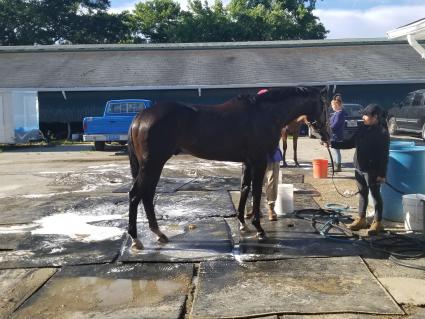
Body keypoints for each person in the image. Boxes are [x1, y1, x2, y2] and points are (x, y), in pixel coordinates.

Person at [326, 103, 390, 235]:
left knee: (375, 195)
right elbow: (349, 142)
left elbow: (384, 155)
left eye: (366, 115)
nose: (364, 117)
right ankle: (361, 219)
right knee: (362, 194)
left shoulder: (382, 132)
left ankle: (377, 222)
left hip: (372, 170)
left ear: (375, 117)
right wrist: (331, 143)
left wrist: (382, 174)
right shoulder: (362, 128)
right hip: (359, 168)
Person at [329, 94, 346, 172]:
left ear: (337, 105)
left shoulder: (339, 114)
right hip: (334, 135)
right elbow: (331, 122)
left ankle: (338, 166)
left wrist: (328, 129)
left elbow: (335, 125)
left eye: (333, 105)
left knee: (337, 151)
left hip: (336, 135)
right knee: (335, 151)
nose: (332, 107)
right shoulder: (336, 113)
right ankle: (336, 164)